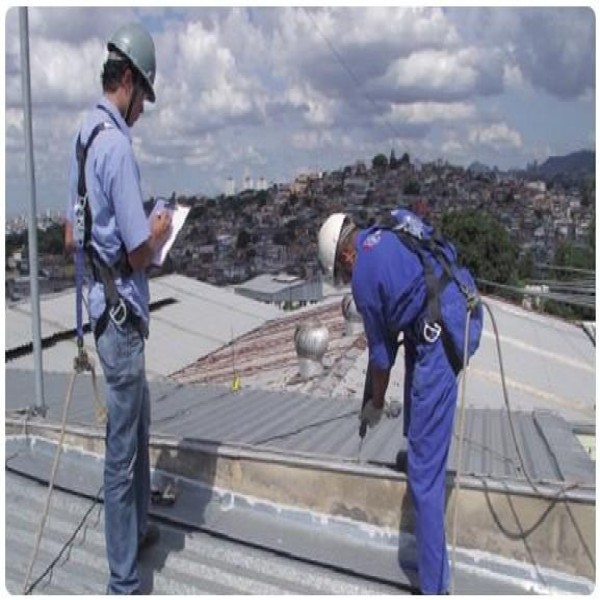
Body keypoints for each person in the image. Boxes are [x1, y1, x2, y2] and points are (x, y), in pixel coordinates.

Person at [317, 209, 481, 595]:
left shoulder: (364, 278)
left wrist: (375, 404)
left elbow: (380, 361)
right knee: (413, 370)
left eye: (342, 275)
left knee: (424, 481)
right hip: (452, 307)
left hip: (444, 333)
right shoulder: (383, 231)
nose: (347, 282)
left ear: (346, 256)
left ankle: (434, 587)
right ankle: (417, 448)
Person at [65, 22, 172, 595]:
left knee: (139, 422)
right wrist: (159, 229)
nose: (142, 111)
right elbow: (138, 252)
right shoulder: (115, 147)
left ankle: (138, 529)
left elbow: (70, 235)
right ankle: (123, 580)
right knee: (122, 450)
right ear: (126, 80)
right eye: (143, 98)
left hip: (98, 309)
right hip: (122, 315)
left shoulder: (84, 135)